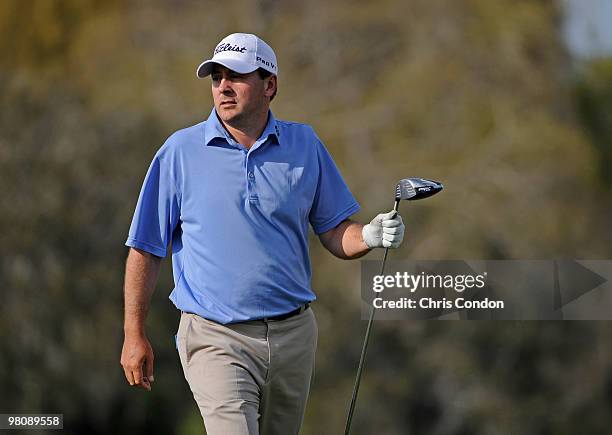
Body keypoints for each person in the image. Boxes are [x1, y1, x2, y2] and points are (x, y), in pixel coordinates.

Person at [120, 32, 405, 435]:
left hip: (294, 336)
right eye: (216, 77)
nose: (222, 86)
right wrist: (134, 333)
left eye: (235, 76)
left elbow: (334, 231)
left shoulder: (304, 144)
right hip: (215, 336)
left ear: (268, 85)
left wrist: (372, 236)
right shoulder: (179, 152)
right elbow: (145, 249)